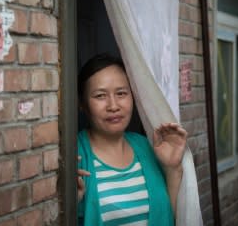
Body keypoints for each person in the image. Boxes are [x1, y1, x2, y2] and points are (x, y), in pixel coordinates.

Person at [76, 53, 187, 226]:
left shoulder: (144, 146)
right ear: (82, 104)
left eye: (121, 93)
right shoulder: (75, 155)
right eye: (100, 96)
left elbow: (165, 217)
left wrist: (173, 169)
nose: (113, 106)